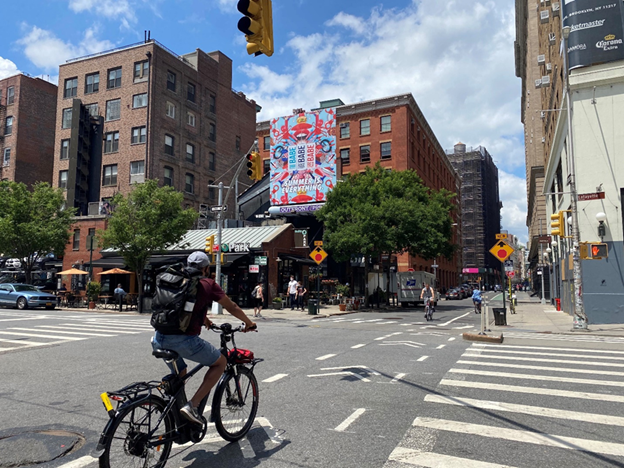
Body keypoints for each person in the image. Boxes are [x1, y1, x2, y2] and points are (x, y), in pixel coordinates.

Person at [151, 251, 256, 426]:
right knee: (220, 363)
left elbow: (182, 306)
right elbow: (232, 306)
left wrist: (204, 319)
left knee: (181, 373)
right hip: (183, 340)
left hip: (158, 338)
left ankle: (175, 413)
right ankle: (192, 405)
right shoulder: (207, 283)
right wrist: (249, 323)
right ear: (206, 268)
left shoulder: (177, 279)